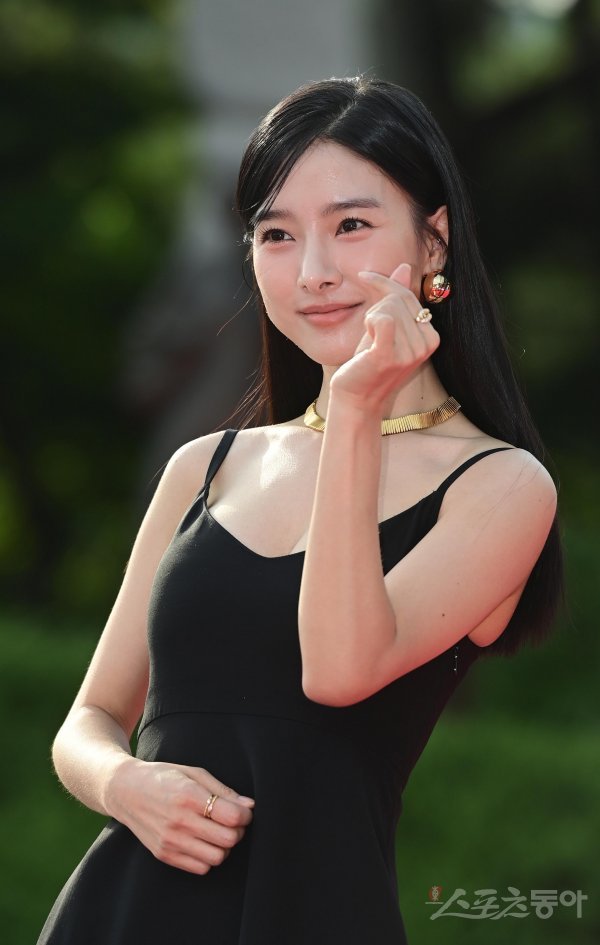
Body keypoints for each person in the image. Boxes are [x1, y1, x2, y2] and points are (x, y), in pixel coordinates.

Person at [38, 75, 563, 945]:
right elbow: (87, 722)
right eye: (277, 234)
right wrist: (125, 785)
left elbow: (340, 670)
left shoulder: (501, 485)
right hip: (121, 915)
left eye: (350, 225)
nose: (313, 272)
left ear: (434, 240)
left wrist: (355, 410)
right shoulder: (206, 467)